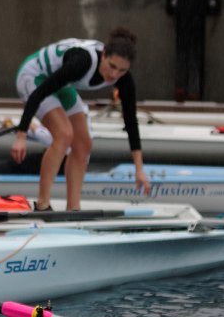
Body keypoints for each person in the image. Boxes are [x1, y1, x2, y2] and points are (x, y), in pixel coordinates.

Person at [10, 28, 150, 211]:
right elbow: (39, 94)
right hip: (34, 76)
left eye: (122, 70)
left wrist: (139, 169)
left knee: (83, 143)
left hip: (61, 82)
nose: (114, 75)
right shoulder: (82, 62)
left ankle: (73, 208)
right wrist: (21, 135)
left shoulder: (124, 80)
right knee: (64, 133)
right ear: (104, 55)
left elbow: (131, 122)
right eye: (112, 66)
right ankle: (42, 204)